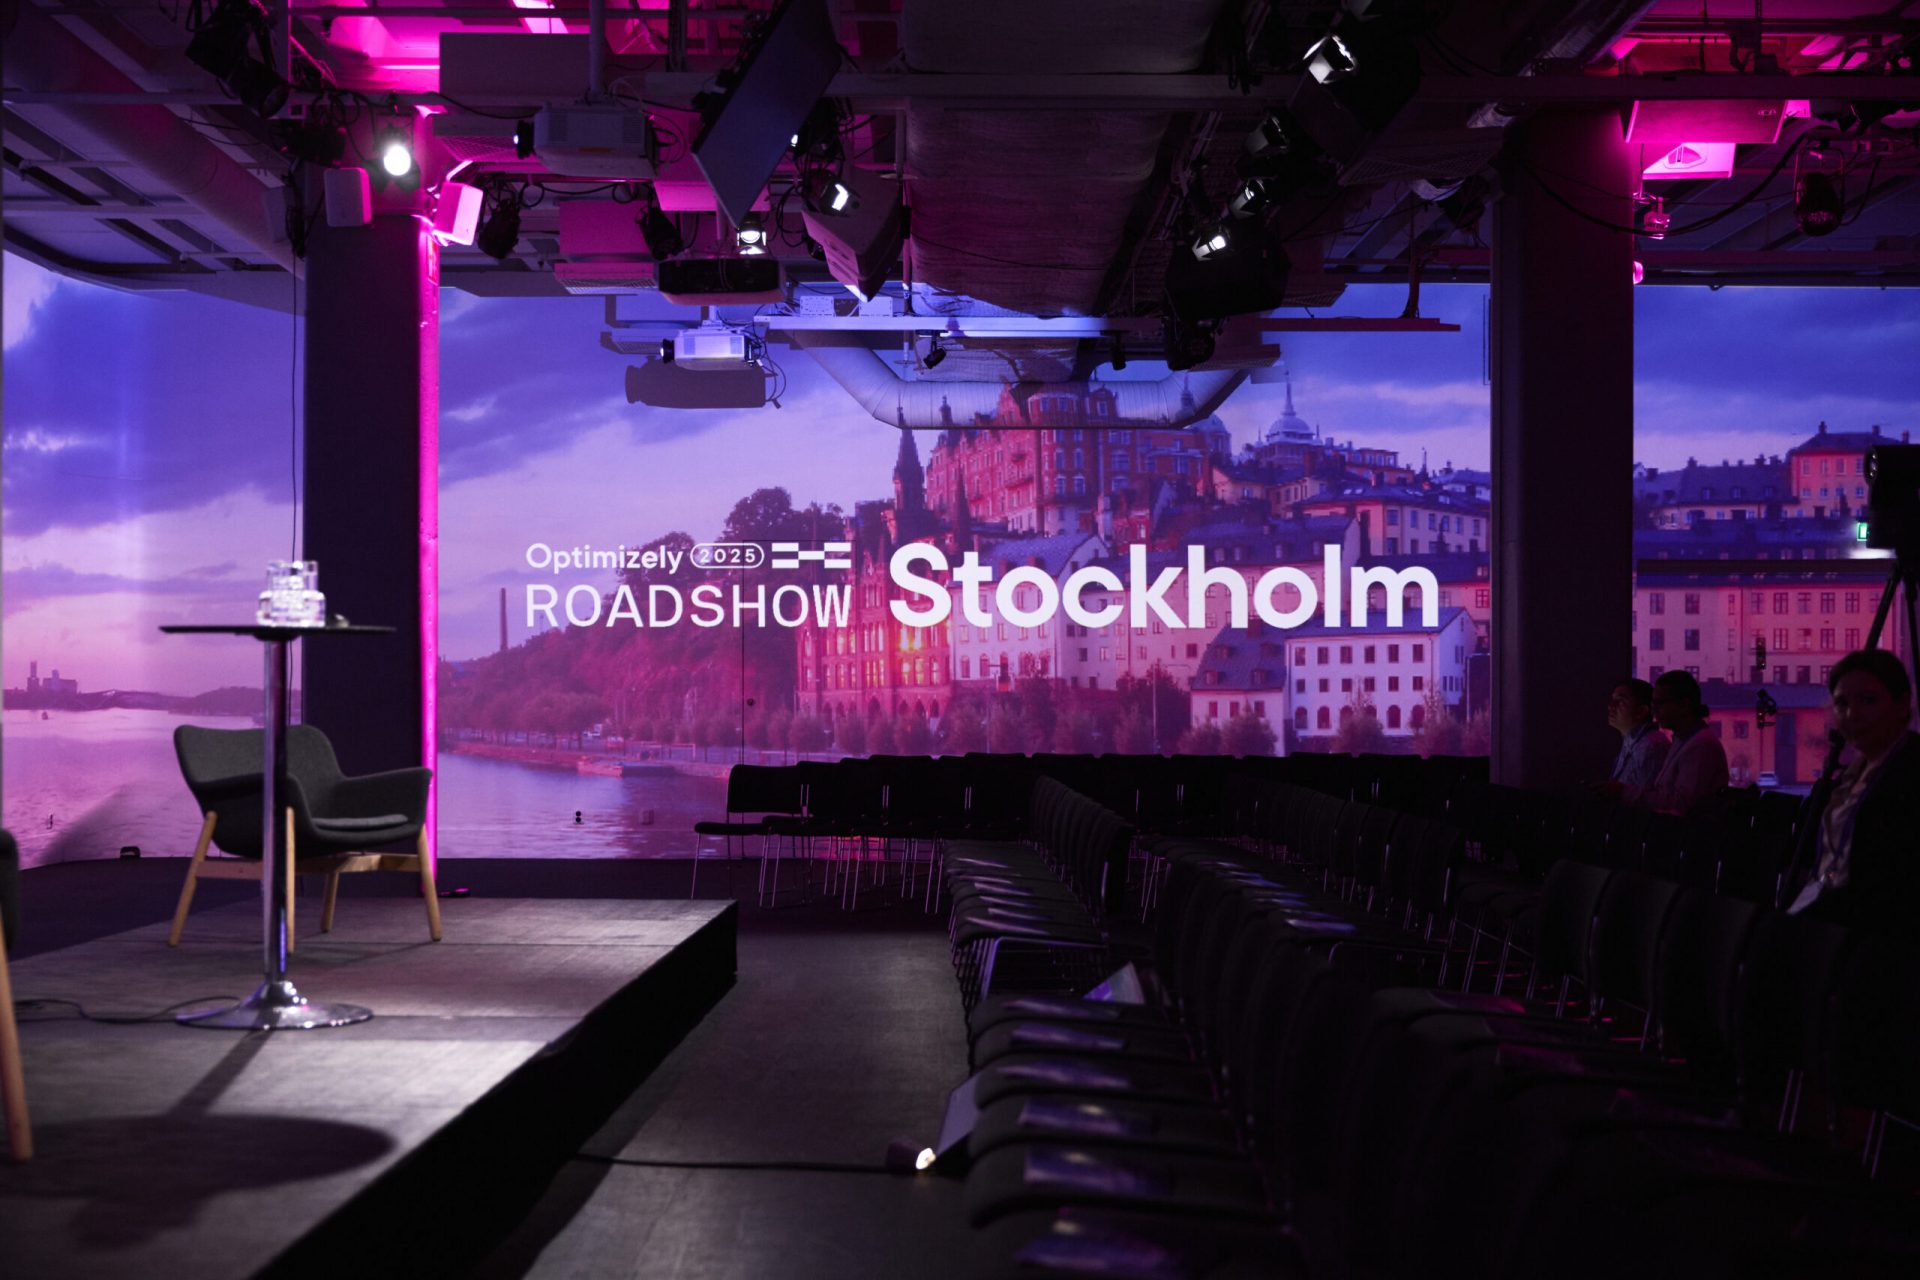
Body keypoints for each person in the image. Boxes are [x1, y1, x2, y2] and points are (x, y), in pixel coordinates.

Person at [1786, 649, 1920, 934]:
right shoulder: (1849, 777)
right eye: (1841, 703)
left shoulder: (1911, 773)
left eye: (1868, 700)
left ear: (1902, 704)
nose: (1852, 714)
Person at [1612, 671, 1728, 816]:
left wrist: (1624, 792)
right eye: (1653, 704)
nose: (1654, 711)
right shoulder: (1684, 741)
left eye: (1660, 703)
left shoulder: (1701, 745)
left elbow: (1682, 803)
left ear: (1684, 705)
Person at [1602, 679, 1670, 793]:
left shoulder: (1651, 746)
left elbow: (1646, 799)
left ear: (1641, 711)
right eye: (1613, 700)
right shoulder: (1632, 741)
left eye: (1621, 701)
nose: (1611, 706)